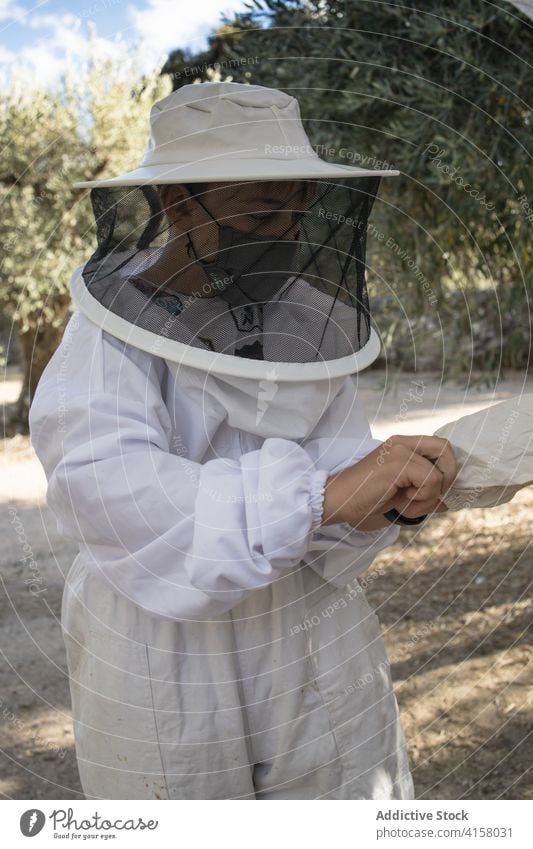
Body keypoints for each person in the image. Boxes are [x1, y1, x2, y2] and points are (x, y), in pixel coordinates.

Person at [29, 82, 456, 800]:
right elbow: (108, 487)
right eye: (263, 207)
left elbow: (339, 472)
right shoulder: (107, 338)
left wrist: (385, 491)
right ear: (180, 206)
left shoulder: (311, 327)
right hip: (160, 636)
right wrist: (320, 496)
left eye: (296, 205)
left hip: (313, 625)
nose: (286, 226)